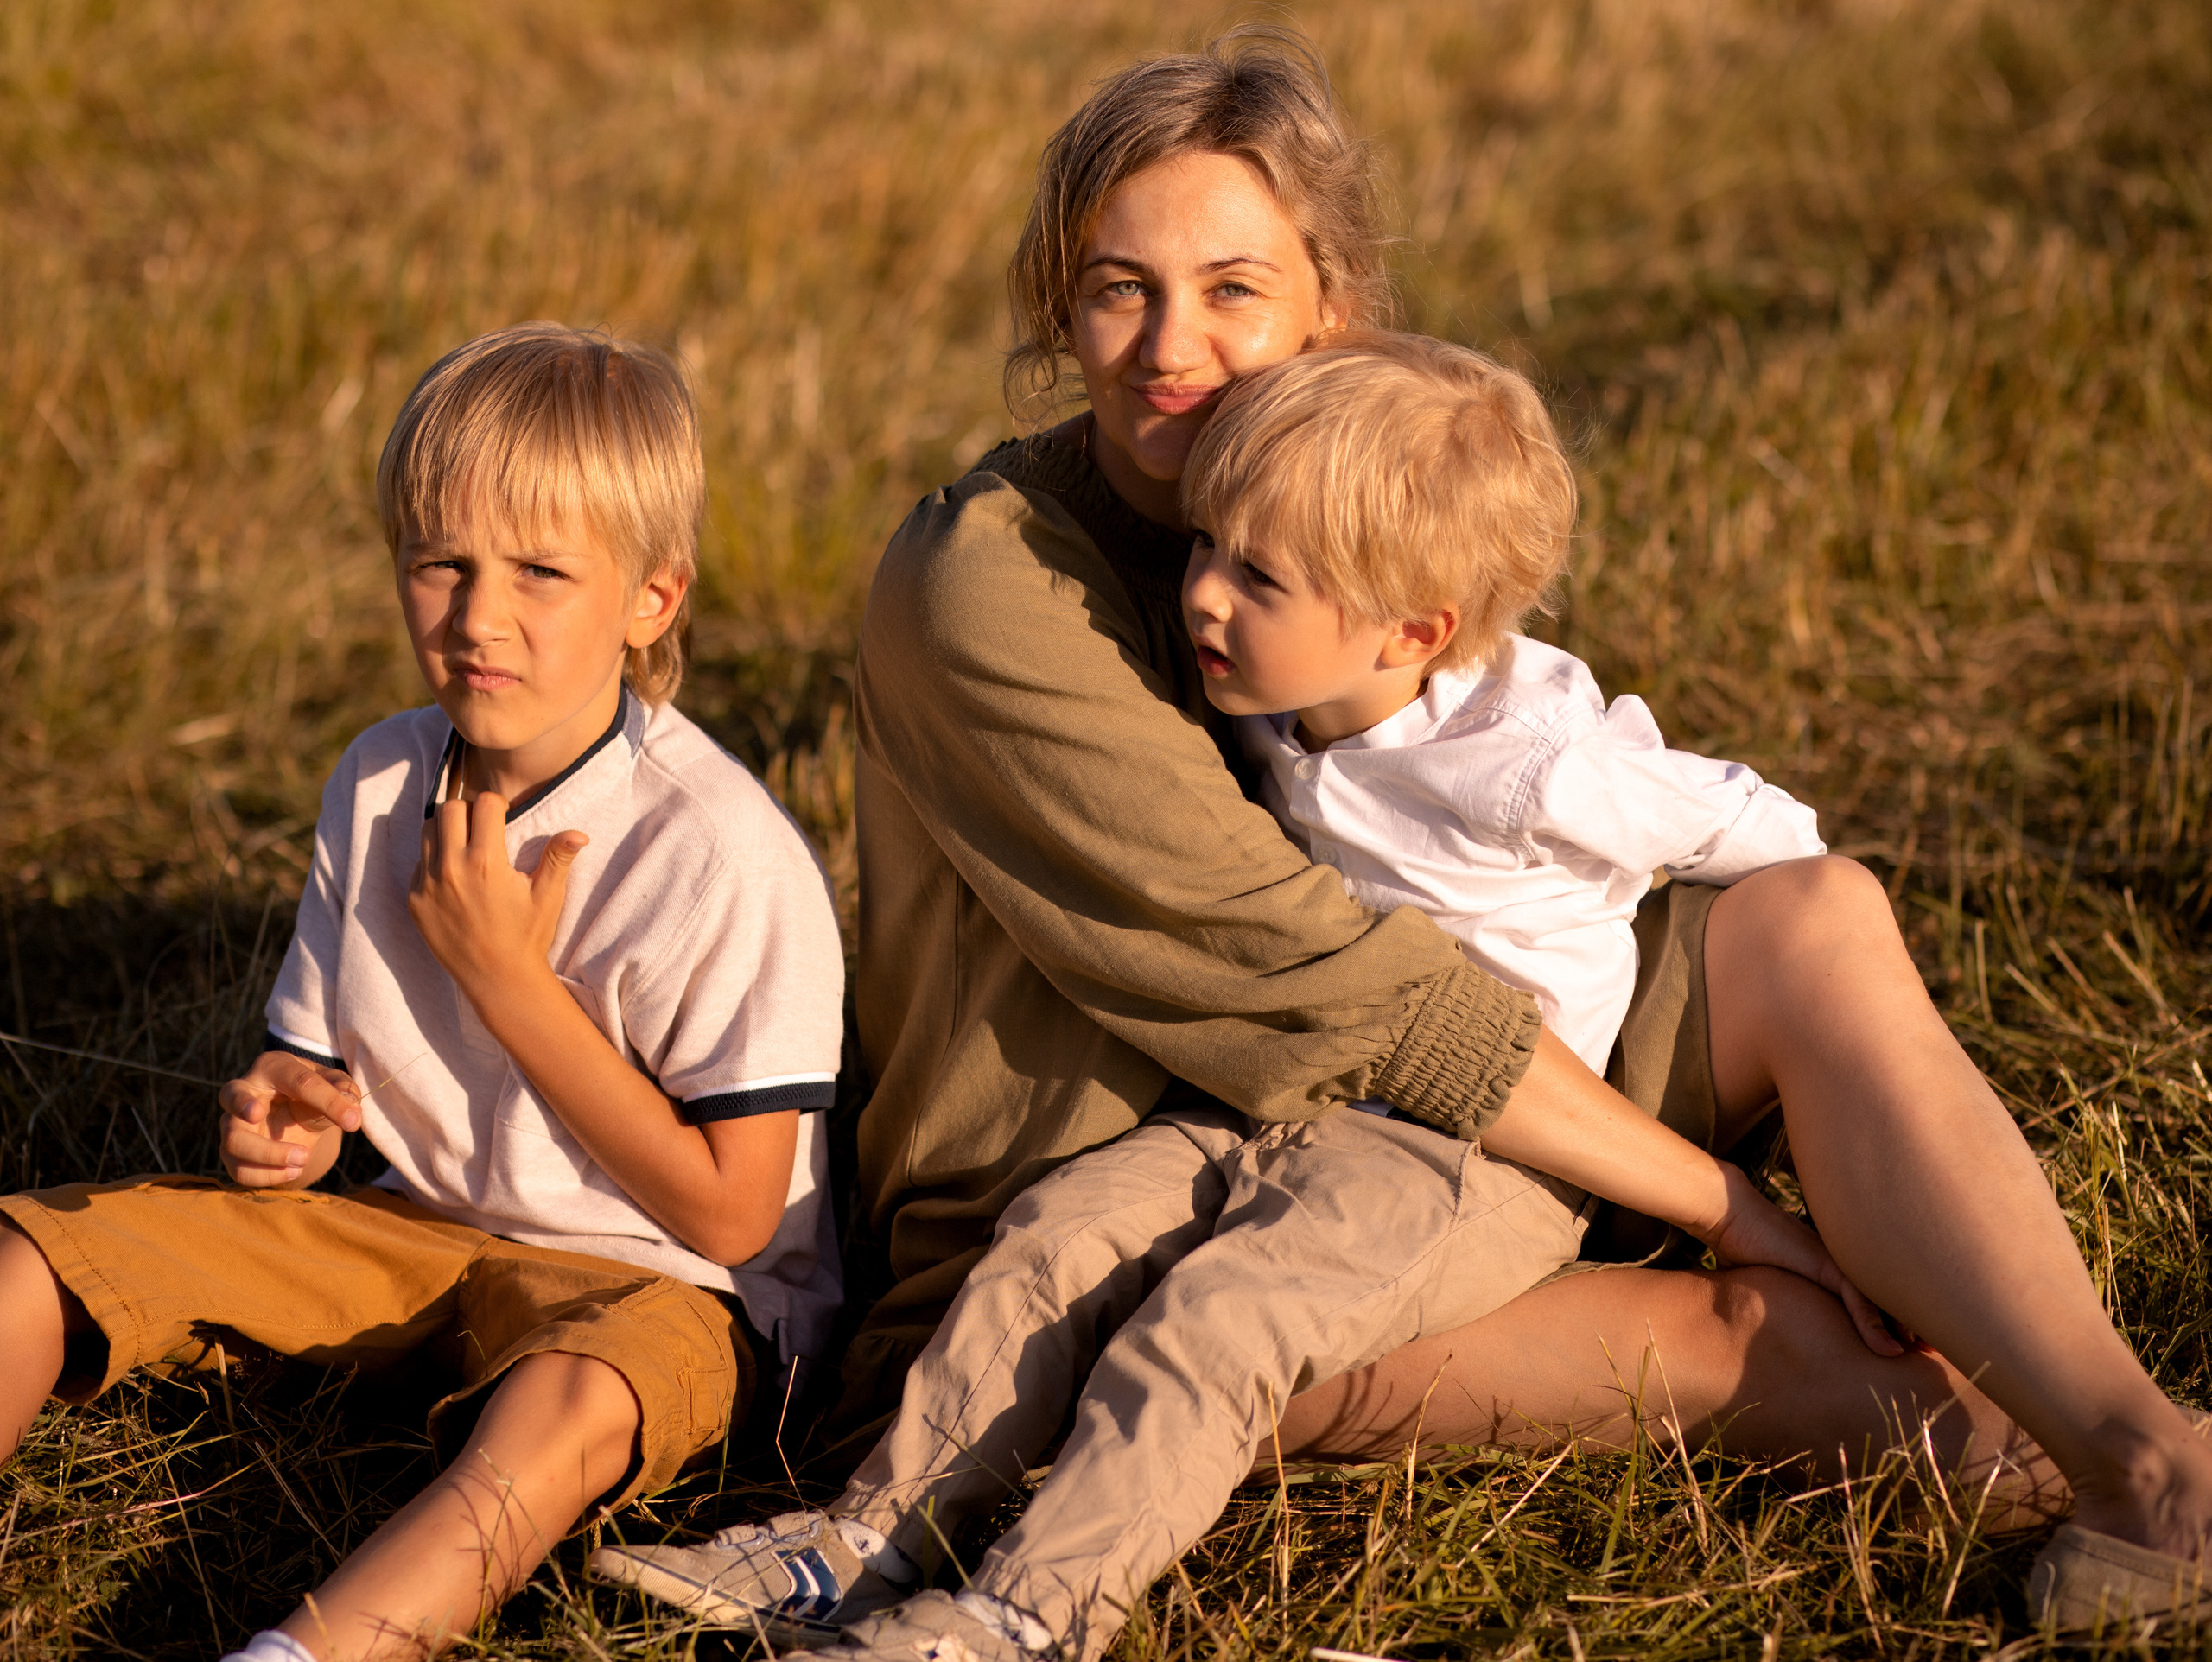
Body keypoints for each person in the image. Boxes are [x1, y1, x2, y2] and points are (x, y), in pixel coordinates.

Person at [664, 27, 2203, 1643]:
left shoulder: (1335, 518)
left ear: (1332, 309)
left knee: (1820, 917)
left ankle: (2150, 1459)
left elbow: (1476, 813)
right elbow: (1340, 985)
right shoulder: (995, 583)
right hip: (1122, 1241)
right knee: (1752, 1334)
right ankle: (2081, 1470)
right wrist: (1727, 1200)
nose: (1168, 347)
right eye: (1119, 286)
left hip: (1423, 1136)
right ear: (1063, 302)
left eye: (1232, 290)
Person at [593, 328, 1907, 1659]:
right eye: (1210, 547)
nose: (1207, 595)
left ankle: (1026, 1617)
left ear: (1415, 631)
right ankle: (867, 1539)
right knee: (1057, 1234)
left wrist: (1770, 916)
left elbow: (1748, 822)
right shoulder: (1280, 703)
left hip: (1470, 1153)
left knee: (1221, 1323)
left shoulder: (1532, 760)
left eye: (1258, 576)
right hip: (1290, 1091)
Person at [0, 323, 847, 1662]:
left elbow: (738, 1214)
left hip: (661, 1291)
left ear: (654, 598)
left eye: (541, 572)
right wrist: (288, 1120)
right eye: (438, 561)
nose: (476, 616)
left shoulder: (718, 849)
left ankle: (310, 1653)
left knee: (564, 1404)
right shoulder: (383, 778)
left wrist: (512, 986)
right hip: (414, 1232)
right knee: (42, 1252)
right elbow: (310, 1066)